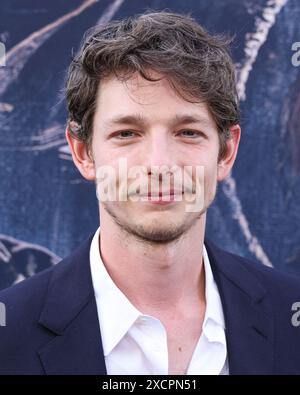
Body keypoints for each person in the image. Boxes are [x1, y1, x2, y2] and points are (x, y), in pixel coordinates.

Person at [1, 11, 300, 375]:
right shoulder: (9, 338)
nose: (159, 164)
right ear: (84, 153)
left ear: (225, 153)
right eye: (126, 133)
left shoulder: (290, 318)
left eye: (188, 132)